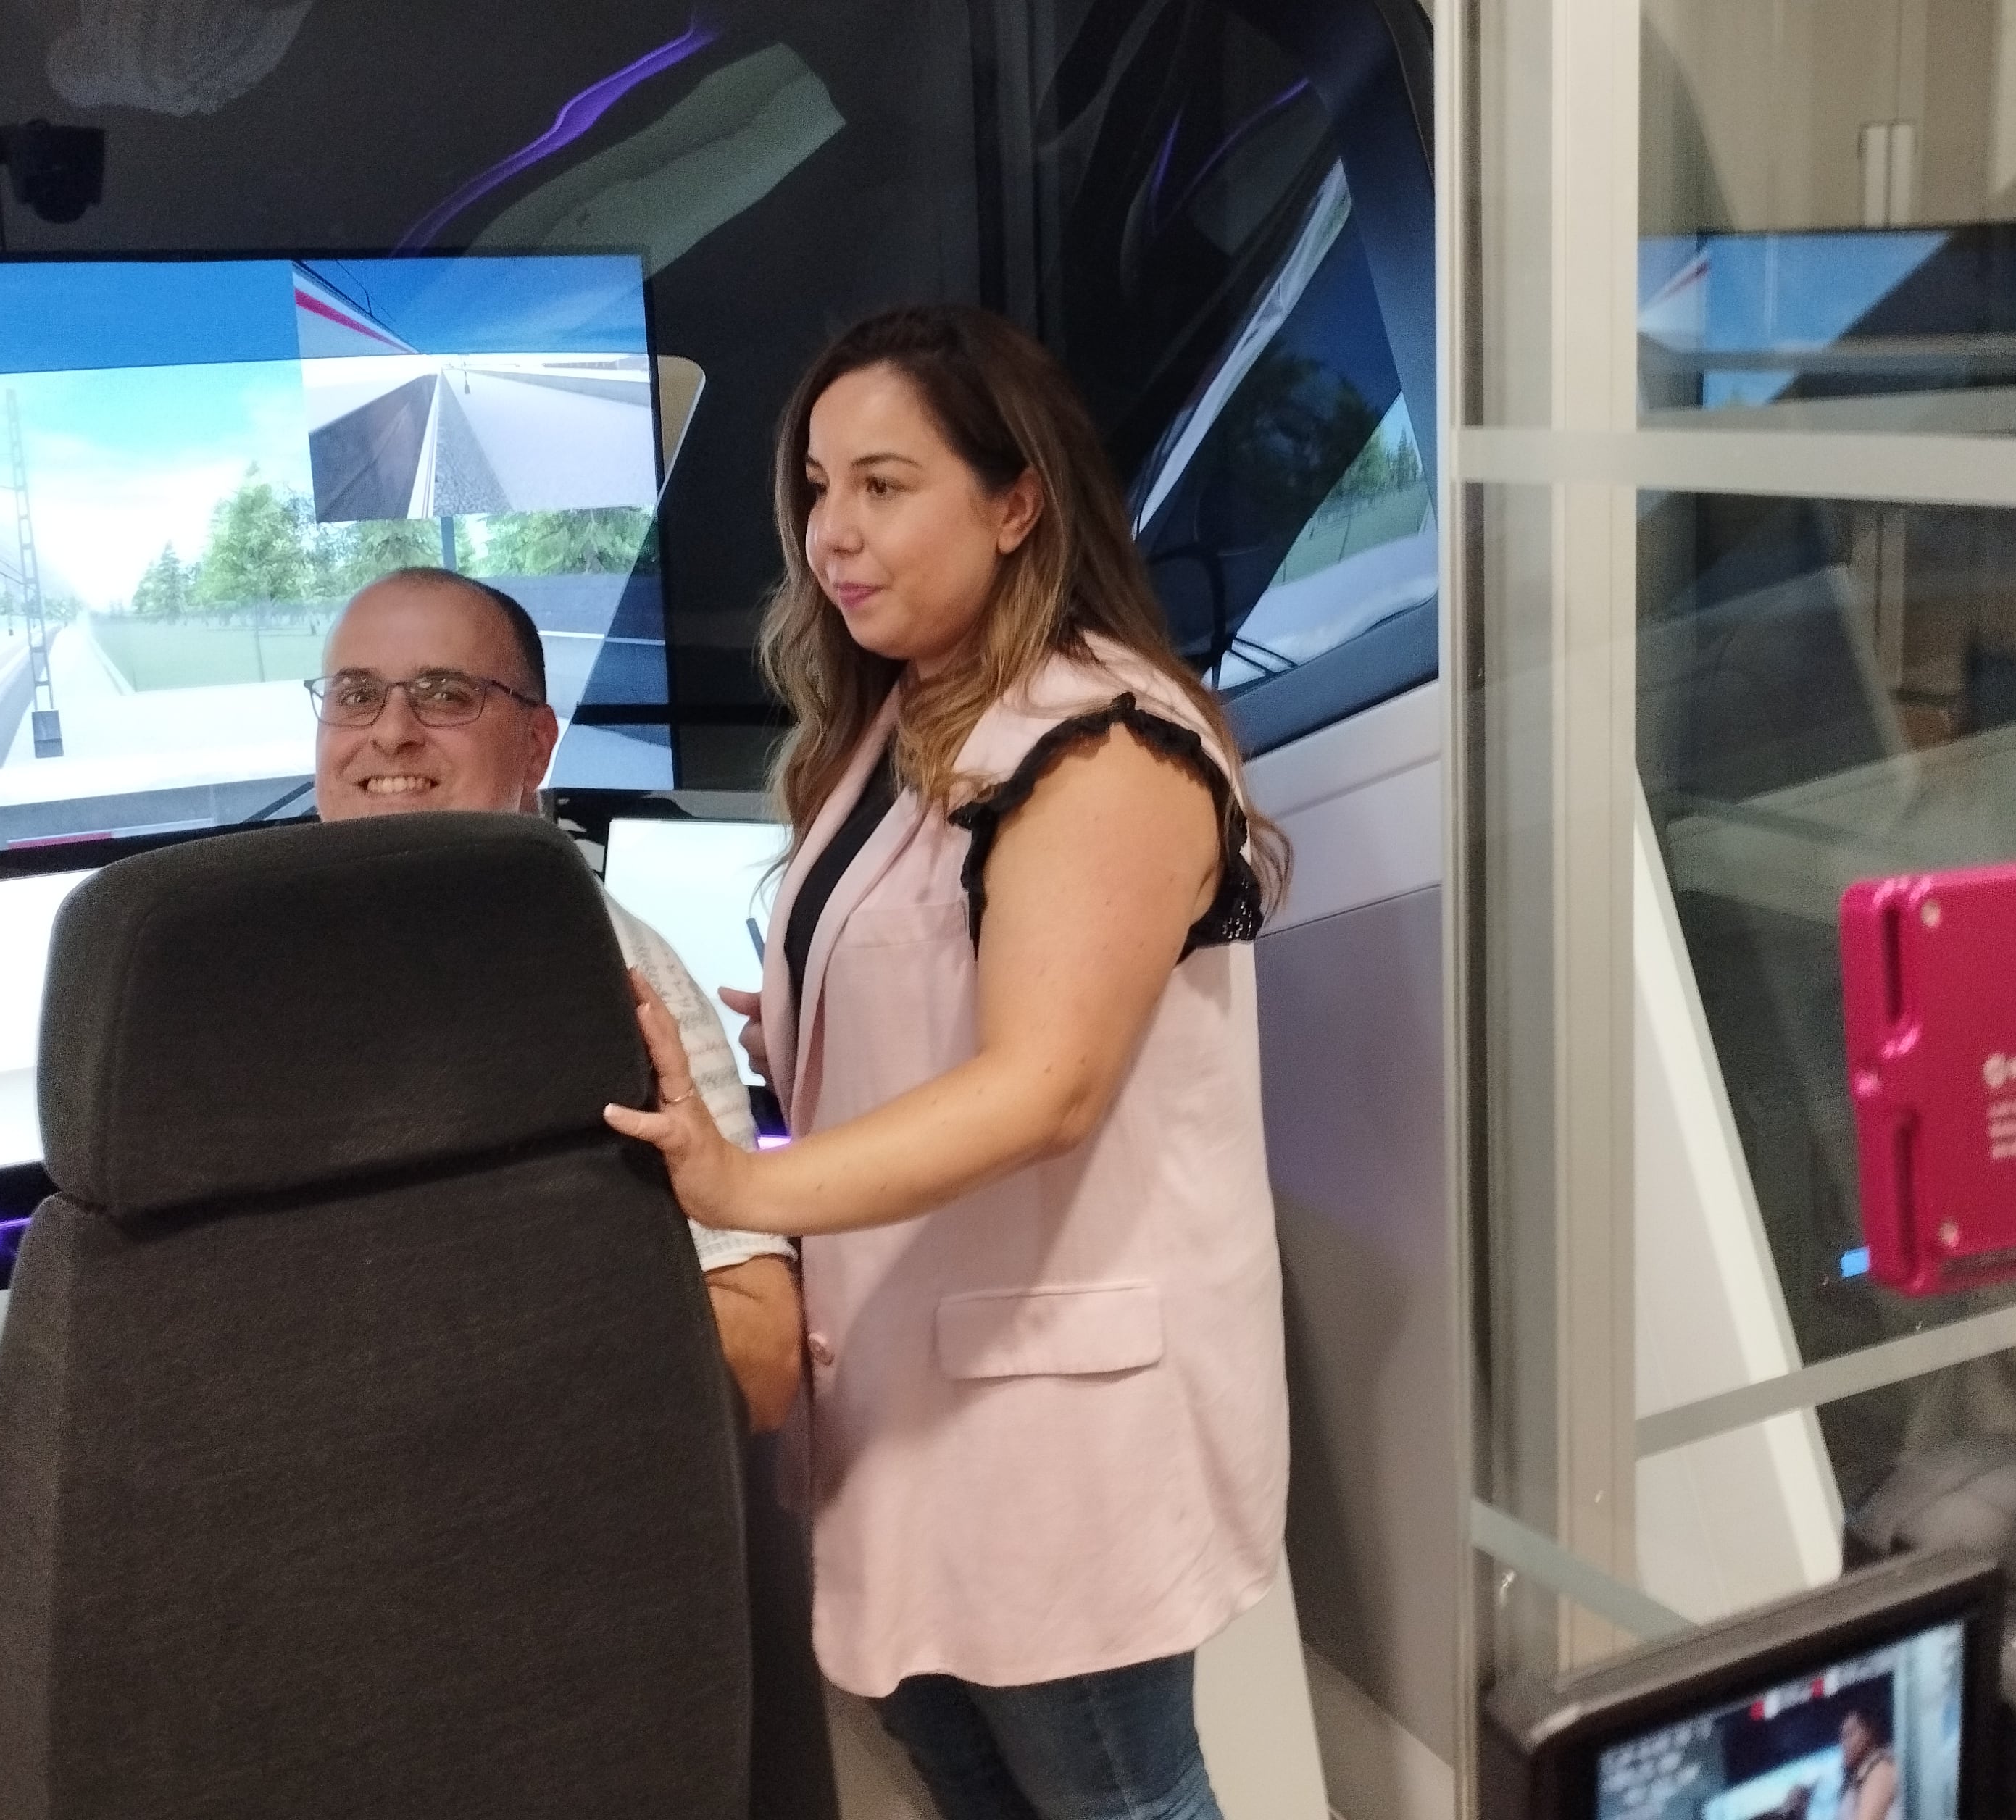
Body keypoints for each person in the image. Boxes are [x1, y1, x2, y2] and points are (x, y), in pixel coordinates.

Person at [604, 304, 1287, 1820]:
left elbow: (1047, 1085)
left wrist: (735, 1173)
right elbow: (952, 989)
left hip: (1050, 1422)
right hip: (916, 1394)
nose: (831, 532)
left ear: (1016, 499)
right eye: (817, 487)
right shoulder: (895, 719)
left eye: (884, 485)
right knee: (972, 1787)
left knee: (1114, 1794)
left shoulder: (1105, 738)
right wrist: (808, 1036)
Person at [308, 566, 801, 1433]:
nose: (391, 732)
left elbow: (762, 1356)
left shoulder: (623, 980)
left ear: (538, 746)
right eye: (355, 694)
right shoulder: (234, 965)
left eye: (444, 694)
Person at [1837, 1703, 1899, 1820]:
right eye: (1842, 1738)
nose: (1845, 1744)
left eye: (1850, 1734)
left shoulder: (1881, 1768)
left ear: (1870, 1732)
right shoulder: (1856, 1780)